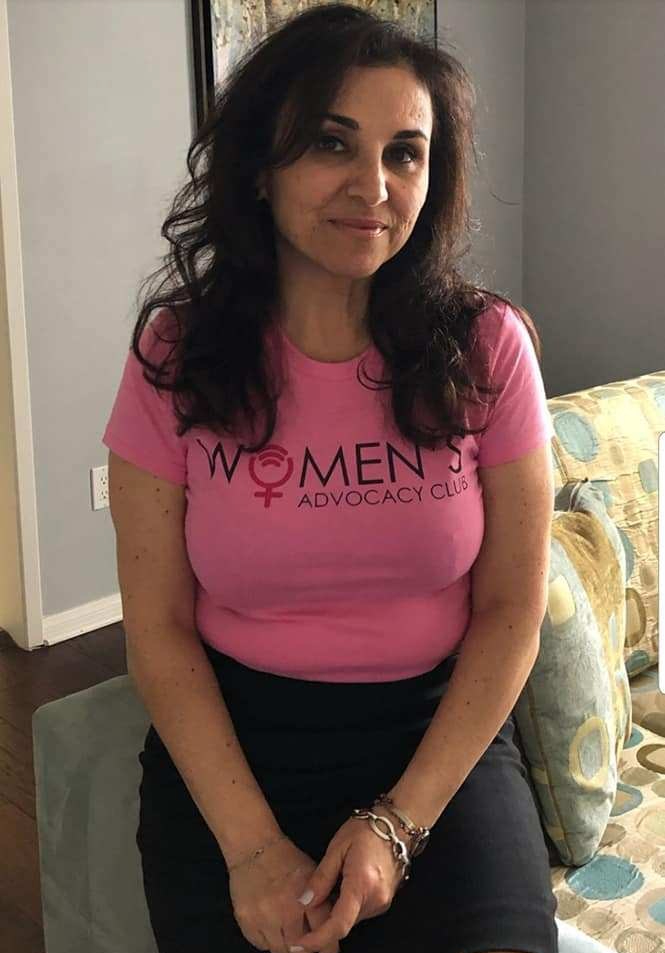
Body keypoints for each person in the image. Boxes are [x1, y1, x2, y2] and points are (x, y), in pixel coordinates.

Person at [103, 4, 558, 953]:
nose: (373, 186)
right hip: (238, 745)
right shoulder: (176, 357)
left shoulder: (487, 347)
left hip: (437, 745)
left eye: (405, 153)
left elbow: (512, 608)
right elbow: (159, 628)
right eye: (331, 143)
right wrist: (250, 846)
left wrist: (398, 823)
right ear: (259, 168)